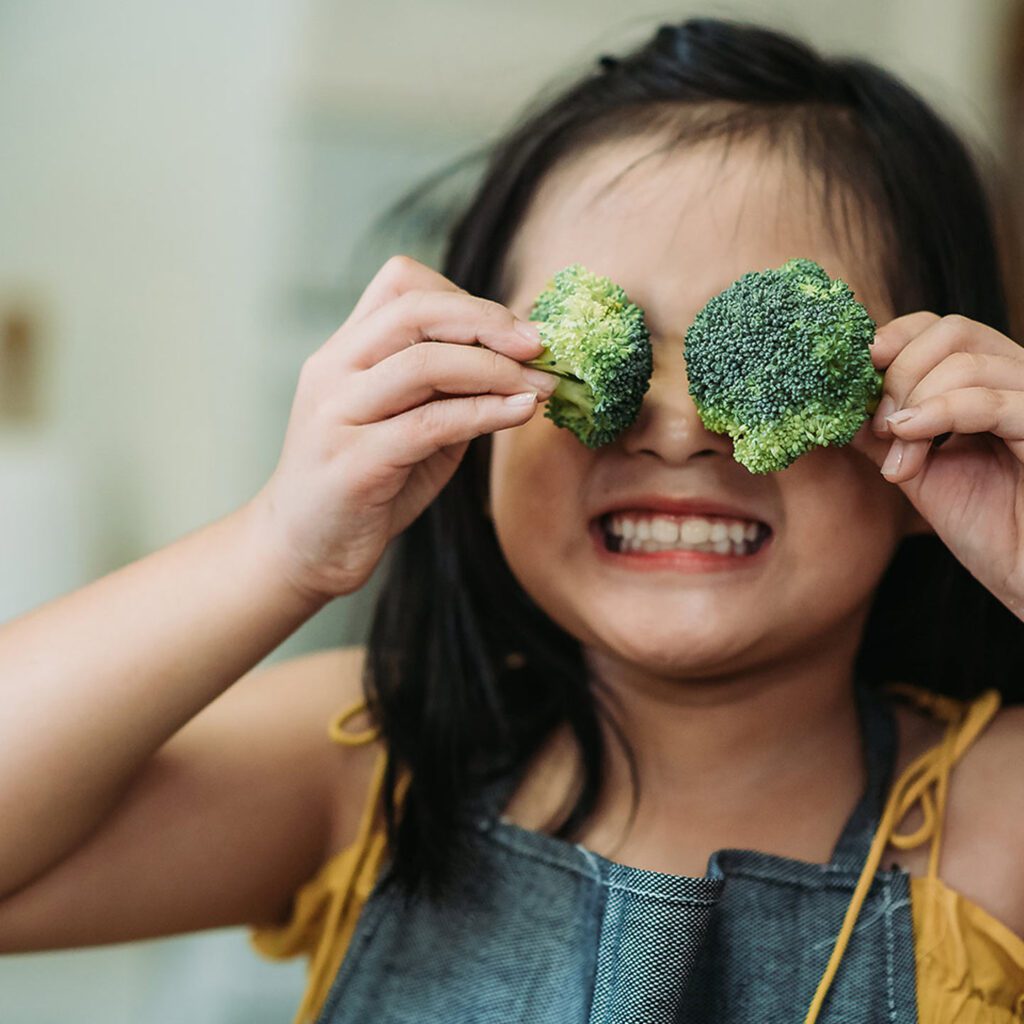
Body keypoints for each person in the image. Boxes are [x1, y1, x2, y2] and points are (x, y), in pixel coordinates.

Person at [2, 14, 1023, 1024]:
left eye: (773, 356)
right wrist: (276, 546)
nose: (675, 429)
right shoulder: (373, 760)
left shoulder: (995, 819)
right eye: (585, 352)